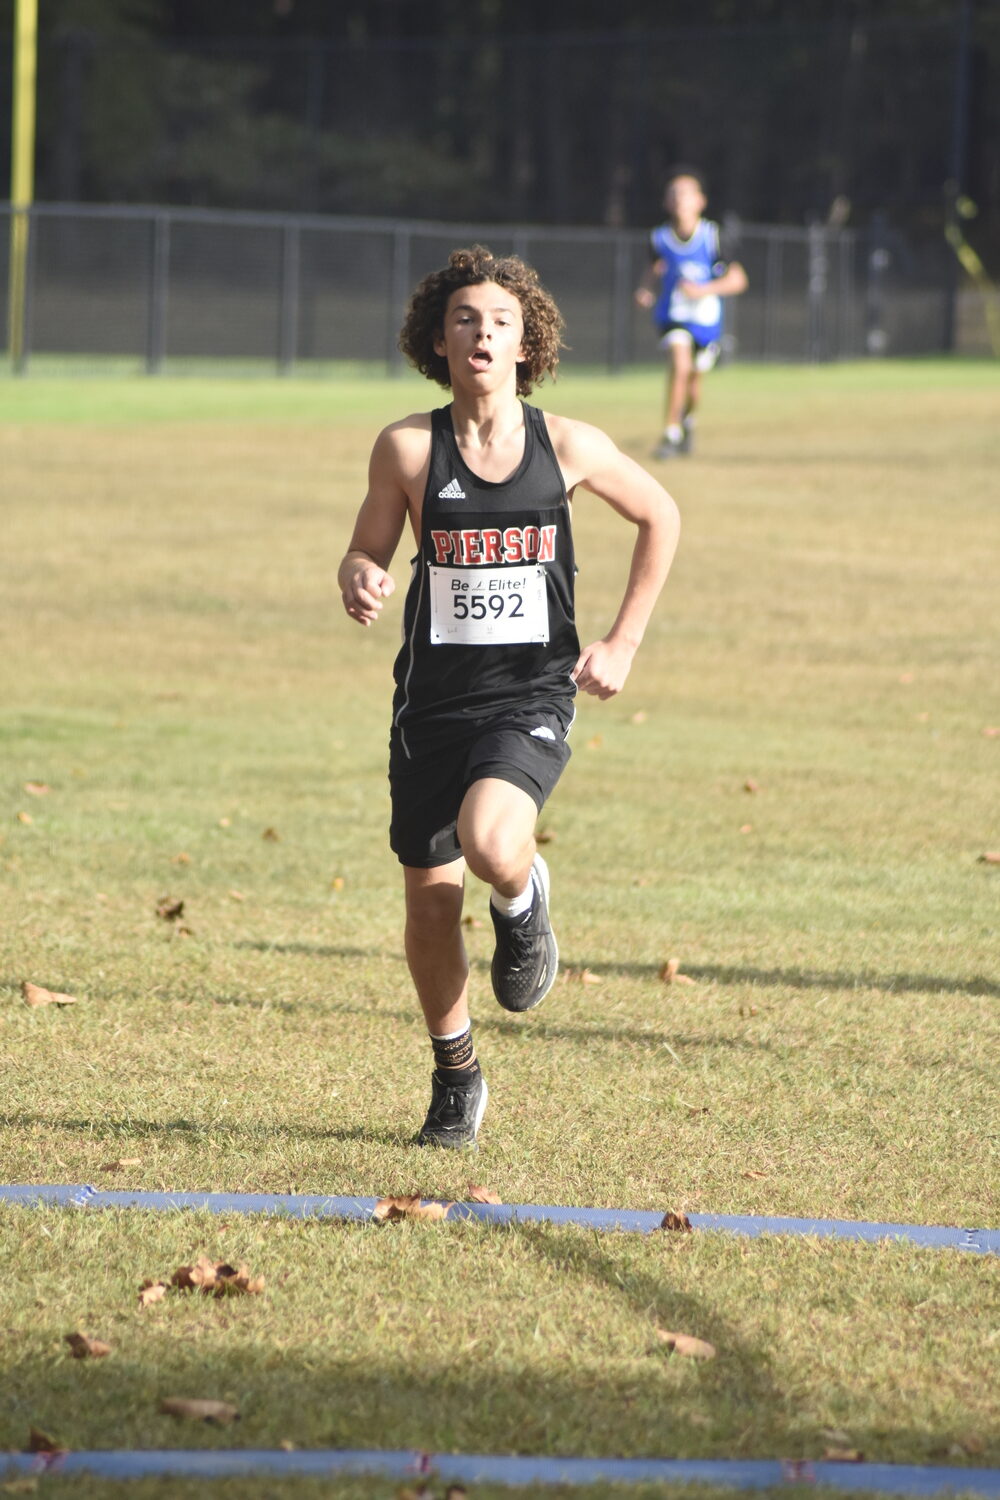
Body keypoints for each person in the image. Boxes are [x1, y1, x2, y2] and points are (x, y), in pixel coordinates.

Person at [338, 245, 680, 1149]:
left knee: (494, 841)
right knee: (425, 903)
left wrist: (624, 641)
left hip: (528, 693)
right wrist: (361, 574)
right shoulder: (409, 447)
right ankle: (457, 1077)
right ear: (438, 341)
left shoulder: (567, 445)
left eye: (501, 322)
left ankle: (524, 904)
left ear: (527, 345)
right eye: (465, 319)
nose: (482, 333)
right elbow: (367, 546)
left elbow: (661, 514)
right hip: (431, 707)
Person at [635, 167, 748, 459]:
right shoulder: (659, 238)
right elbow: (654, 267)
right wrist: (646, 288)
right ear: (666, 203)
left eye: (686, 193)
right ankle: (671, 434)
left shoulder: (713, 237)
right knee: (680, 363)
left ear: (701, 201)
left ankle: (687, 421)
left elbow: (738, 280)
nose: (680, 199)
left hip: (706, 321)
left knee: (694, 381)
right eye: (674, 194)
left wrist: (703, 289)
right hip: (673, 316)